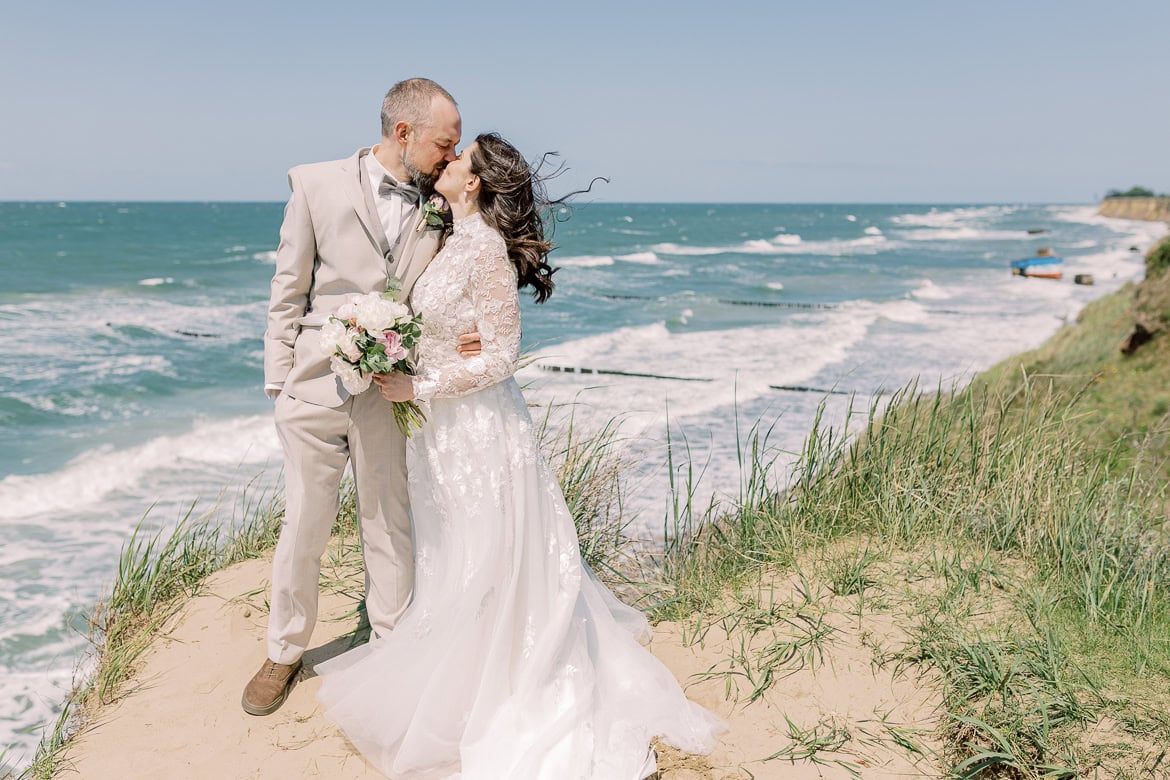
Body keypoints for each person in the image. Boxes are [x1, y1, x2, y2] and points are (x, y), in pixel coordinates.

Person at [315, 133, 724, 778]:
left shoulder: (484, 251)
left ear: (473, 183)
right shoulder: (449, 240)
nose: (444, 164)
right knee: (453, 551)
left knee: (489, 555)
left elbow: (502, 357)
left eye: (456, 160)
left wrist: (416, 384)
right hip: (442, 432)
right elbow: (449, 327)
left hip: (479, 429)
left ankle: (503, 689)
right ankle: (463, 676)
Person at [246, 78, 480, 716]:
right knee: (305, 523)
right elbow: (287, 289)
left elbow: (457, 288)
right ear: (403, 133)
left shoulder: (442, 200)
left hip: (390, 391)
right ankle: (285, 650)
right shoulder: (315, 184)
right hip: (314, 388)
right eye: (444, 142)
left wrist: (465, 344)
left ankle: (393, 642)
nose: (451, 155)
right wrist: (280, 382)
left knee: (388, 518)